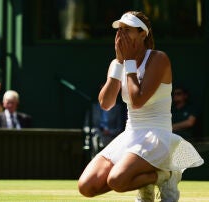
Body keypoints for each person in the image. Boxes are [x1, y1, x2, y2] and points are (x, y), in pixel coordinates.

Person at [77, 11, 203, 202]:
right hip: (131, 133)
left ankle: (166, 176)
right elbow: (106, 103)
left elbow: (137, 101)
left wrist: (127, 63)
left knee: (117, 180)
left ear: (143, 33)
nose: (121, 35)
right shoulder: (116, 64)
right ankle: (149, 181)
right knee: (86, 186)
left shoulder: (159, 59)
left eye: (127, 30)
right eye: (119, 30)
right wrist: (120, 63)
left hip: (157, 135)